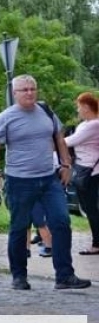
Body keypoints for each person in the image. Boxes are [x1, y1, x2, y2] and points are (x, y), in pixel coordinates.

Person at [0, 74, 91, 290]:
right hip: (19, 181)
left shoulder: (46, 112)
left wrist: (66, 165)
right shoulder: (6, 117)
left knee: (61, 222)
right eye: (24, 90)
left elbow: (59, 138)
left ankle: (64, 276)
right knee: (19, 227)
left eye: (32, 88)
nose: (29, 93)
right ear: (14, 94)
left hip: (49, 179)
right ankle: (19, 276)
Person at [65, 91, 99, 255]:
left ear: (86, 107)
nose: (77, 110)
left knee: (91, 209)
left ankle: (97, 244)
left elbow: (70, 141)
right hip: (85, 170)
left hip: (91, 172)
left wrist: (52, 139)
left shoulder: (94, 125)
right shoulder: (85, 124)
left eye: (78, 107)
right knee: (89, 208)